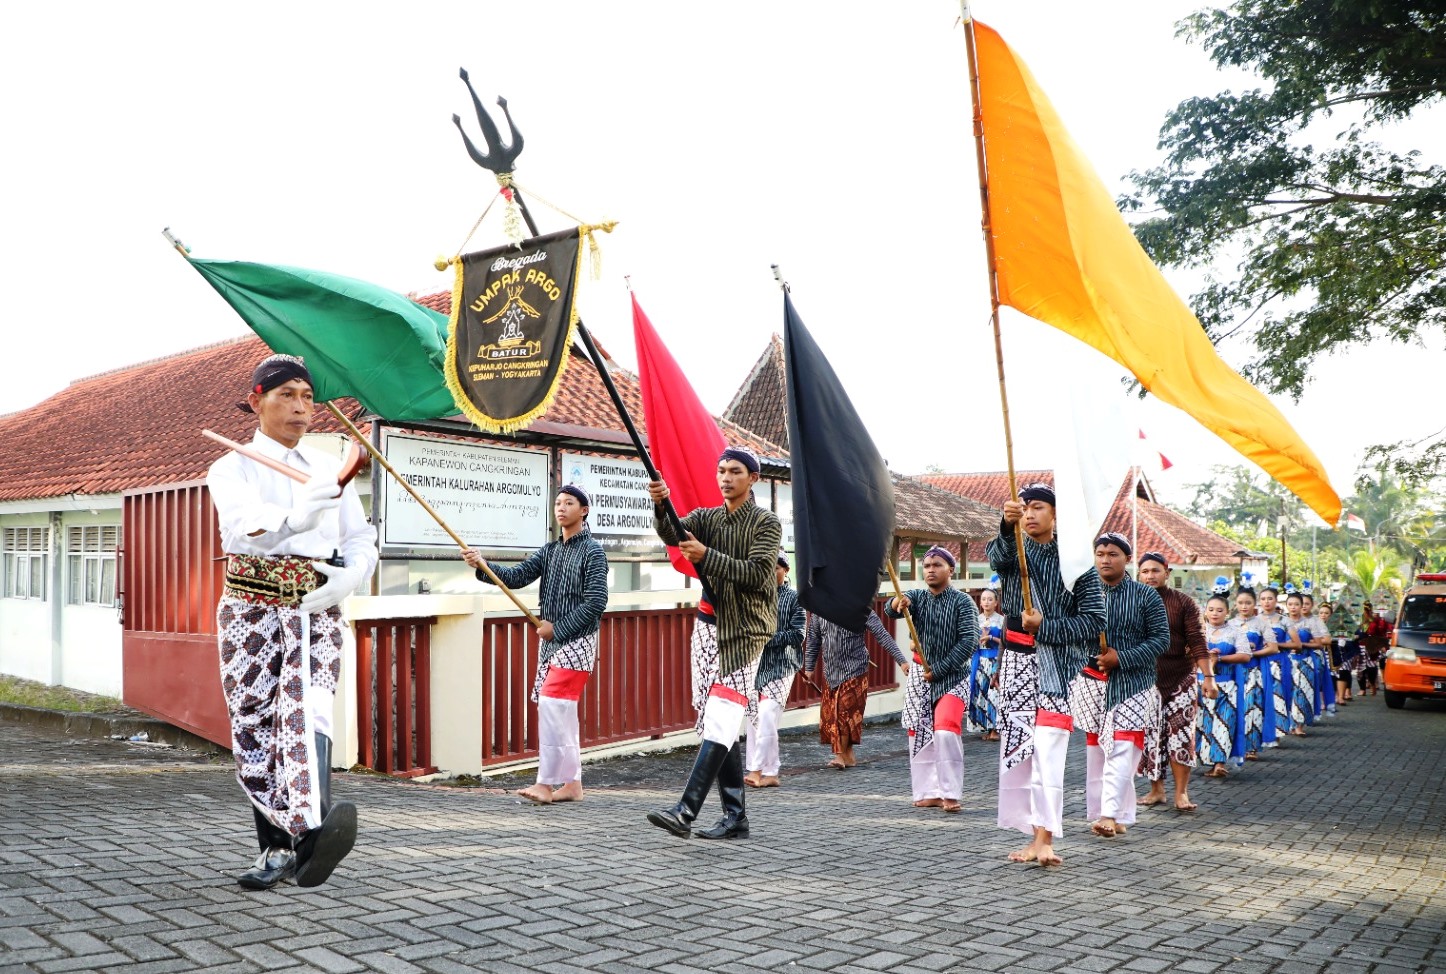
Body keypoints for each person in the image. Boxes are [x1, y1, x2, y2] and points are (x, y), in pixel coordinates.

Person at [206, 354, 378, 890]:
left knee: (308, 716)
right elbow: (239, 531)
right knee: (257, 726)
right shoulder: (230, 467)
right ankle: (281, 848)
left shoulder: (327, 469)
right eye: (286, 395)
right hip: (252, 610)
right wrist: (294, 517)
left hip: (314, 607)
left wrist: (349, 579)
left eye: (307, 396)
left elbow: (358, 538)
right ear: (256, 401)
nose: (301, 407)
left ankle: (311, 834)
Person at [645, 446, 782, 841]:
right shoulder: (708, 517)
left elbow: (758, 574)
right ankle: (736, 815)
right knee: (719, 720)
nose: (726, 478)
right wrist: (661, 504)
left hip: (746, 630)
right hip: (707, 627)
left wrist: (707, 555)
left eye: (735, 471)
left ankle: (686, 810)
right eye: (721, 471)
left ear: (752, 478)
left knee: (723, 715)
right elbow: (673, 531)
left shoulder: (765, 523)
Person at [462, 484, 608, 805]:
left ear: (583, 511)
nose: (561, 508)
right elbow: (516, 576)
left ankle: (546, 783)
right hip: (552, 645)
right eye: (557, 502)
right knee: (560, 713)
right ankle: (571, 784)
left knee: (554, 707)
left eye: (569, 503)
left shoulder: (593, 552)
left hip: (578, 642)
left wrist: (558, 629)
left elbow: (596, 602)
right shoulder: (549, 551)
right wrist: (483, 566)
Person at [991, 483, 1105, 867]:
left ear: (1055, 515)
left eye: (1038, 507)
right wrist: (1006, 530)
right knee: (1022, 753)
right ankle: (1032, 834)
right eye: (1023, 508)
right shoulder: (1014, 552)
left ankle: (1046, 838)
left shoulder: (1078, 563)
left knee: (1049, 751)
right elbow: (997, 558)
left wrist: (1048, 627)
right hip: (1016, 665)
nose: (1029, 514)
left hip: (1058, 671)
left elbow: (1094, 622)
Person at [1069, 533, 1169, 838]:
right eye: (1099, 553)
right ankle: (1115, 813)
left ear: (1127, 559)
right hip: (1090, 681)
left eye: (1112, 554)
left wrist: (1121, 658)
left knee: (1123, 746)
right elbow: (1071, 632)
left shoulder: (1146, 596)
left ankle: (1109, 815)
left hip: (1133, 682)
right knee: (1098, 750)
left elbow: (1161, 641)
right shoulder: (1081, 594)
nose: (1105, 559)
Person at [887, 547, 981, 813]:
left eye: (936, 565)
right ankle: (927, 791)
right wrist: (897, 603)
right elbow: (890, 608)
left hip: (952, 677)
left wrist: (939, 669)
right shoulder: (917, 597)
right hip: (920, 675)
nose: (930, 569)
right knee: (919, 733)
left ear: (950, 569)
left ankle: (950, 793)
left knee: (945, 730)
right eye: (926, 565)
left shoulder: (964, 603)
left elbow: (969, 642)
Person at [1136, 552, 1215, 812]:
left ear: (1167, 573)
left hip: (1182, 676)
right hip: (1145, 678)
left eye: (1155, 570)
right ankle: (1156, 790)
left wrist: (1208, 677)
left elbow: (1197, 641)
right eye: (1145, 571)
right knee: (1151, 736)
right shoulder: (1132, 600)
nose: (1150, 575)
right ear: (1139, 574)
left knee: (1181, 735)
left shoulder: (1184, 603)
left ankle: (1181, 793)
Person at [803, 606, 907, 769]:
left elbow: (882, 635)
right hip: (831, 672)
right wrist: (809, 668)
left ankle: (839, 756)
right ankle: (848, 757)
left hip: (855, 669)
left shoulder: (860, 607)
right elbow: (813, 640)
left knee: (844, 712)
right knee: (835, 715)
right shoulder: (819, 610)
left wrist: (902, 661)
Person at [744, 554, 806, 788]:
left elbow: (799, 634)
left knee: (768, 714)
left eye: (776, 568)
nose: (772, 572)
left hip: (783, 665)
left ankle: (756, 769)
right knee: (753, 719)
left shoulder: (794, 598)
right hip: (755, 665)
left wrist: (767, 638)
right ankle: (771, 772)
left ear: (786, 570)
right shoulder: (755, 596)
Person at [1198, 584, 1250, 778]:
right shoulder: (1198, 631)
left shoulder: (1235, 631)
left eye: (1220, 610)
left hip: (1227, 684)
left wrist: (1220, 658)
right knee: (1203, 723)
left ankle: (1219, 763)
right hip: (1200, 684)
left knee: (1224, 722)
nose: (1214, 613)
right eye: (1211, 609)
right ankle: (1206, 760)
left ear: (1228, 612)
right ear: (1205, 611)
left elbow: (1245, 655)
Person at [1234, 586, 1278, 759]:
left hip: (1254, 671)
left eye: (1248, 603)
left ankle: (1251, 747)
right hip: (1235, 671)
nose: (1244, 606)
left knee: (1253, 707)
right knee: (1237, 708)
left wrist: (1252, 653)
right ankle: (1235, 745)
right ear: (1235, 604)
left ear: (1254, 604)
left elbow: (1273, 648)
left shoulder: (1261, 623)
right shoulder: (1230, 623)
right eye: (1240, 603)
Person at [1257, 586, 1299, 740]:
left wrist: (1277, 645)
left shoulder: (1284, 620)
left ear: (1276, 601)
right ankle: (1259, 732)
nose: (1266, 602)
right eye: (1263, 599)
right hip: (1260, 662)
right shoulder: (1254, 620)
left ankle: (1279, 730)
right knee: (1260, 697)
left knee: (1280, 696)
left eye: (1270, 599)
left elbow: (1297, 644)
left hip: (1281, 662)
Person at [969, 583, 1005, 741]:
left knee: (994, 694)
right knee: (981, 693)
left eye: (990, 599)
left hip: (995, 660)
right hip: (980, 660)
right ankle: (985, 726)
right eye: (984, 599)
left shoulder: (1002, 620)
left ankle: (995, 729)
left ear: (996, 602)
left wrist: (990, 638)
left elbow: (1005, 642)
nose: (986, 602)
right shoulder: (976, 620)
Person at [1283, 591, 1318, 732]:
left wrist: (1303, 645)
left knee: (1303, 692)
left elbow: (1320, 643)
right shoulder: (1281, 622)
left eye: (1296, 604)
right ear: (1286, 606)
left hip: (1305, 661)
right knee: (1288, 692)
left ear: (1301, 606)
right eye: (1290, 604)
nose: (1293, 607)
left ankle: (1299, 725)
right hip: (1286, 662)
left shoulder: (1309, 623)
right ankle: (1288, 723)